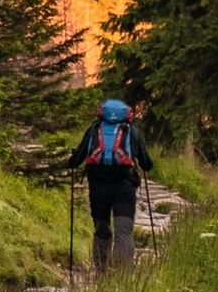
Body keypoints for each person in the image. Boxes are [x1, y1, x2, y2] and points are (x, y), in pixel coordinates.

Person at [66, 96, 154, 271]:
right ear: (127, 115)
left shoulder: (93, 130)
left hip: (98, 188)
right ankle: (122, 277)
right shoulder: (131, 131)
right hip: (125, 187)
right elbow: (147, 164)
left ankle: (101, 274)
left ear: (101, 114)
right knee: (123, 232)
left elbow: (75, 161)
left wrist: (73, 160)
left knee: (102, 231)